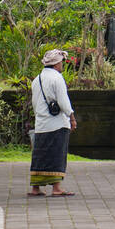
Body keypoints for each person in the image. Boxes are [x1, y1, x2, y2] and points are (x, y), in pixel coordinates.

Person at [29, 49, 76, 196]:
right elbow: (63, 101)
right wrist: (72, 117)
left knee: (40, 155)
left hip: (41, 123)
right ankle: (56, 188)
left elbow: (35, 103)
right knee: (57, 154)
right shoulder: (57, 78)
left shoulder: (37, 79)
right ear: (56, 64)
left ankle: (35, 188)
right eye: (61, 62)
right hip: (56, 123)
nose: (62, 65)